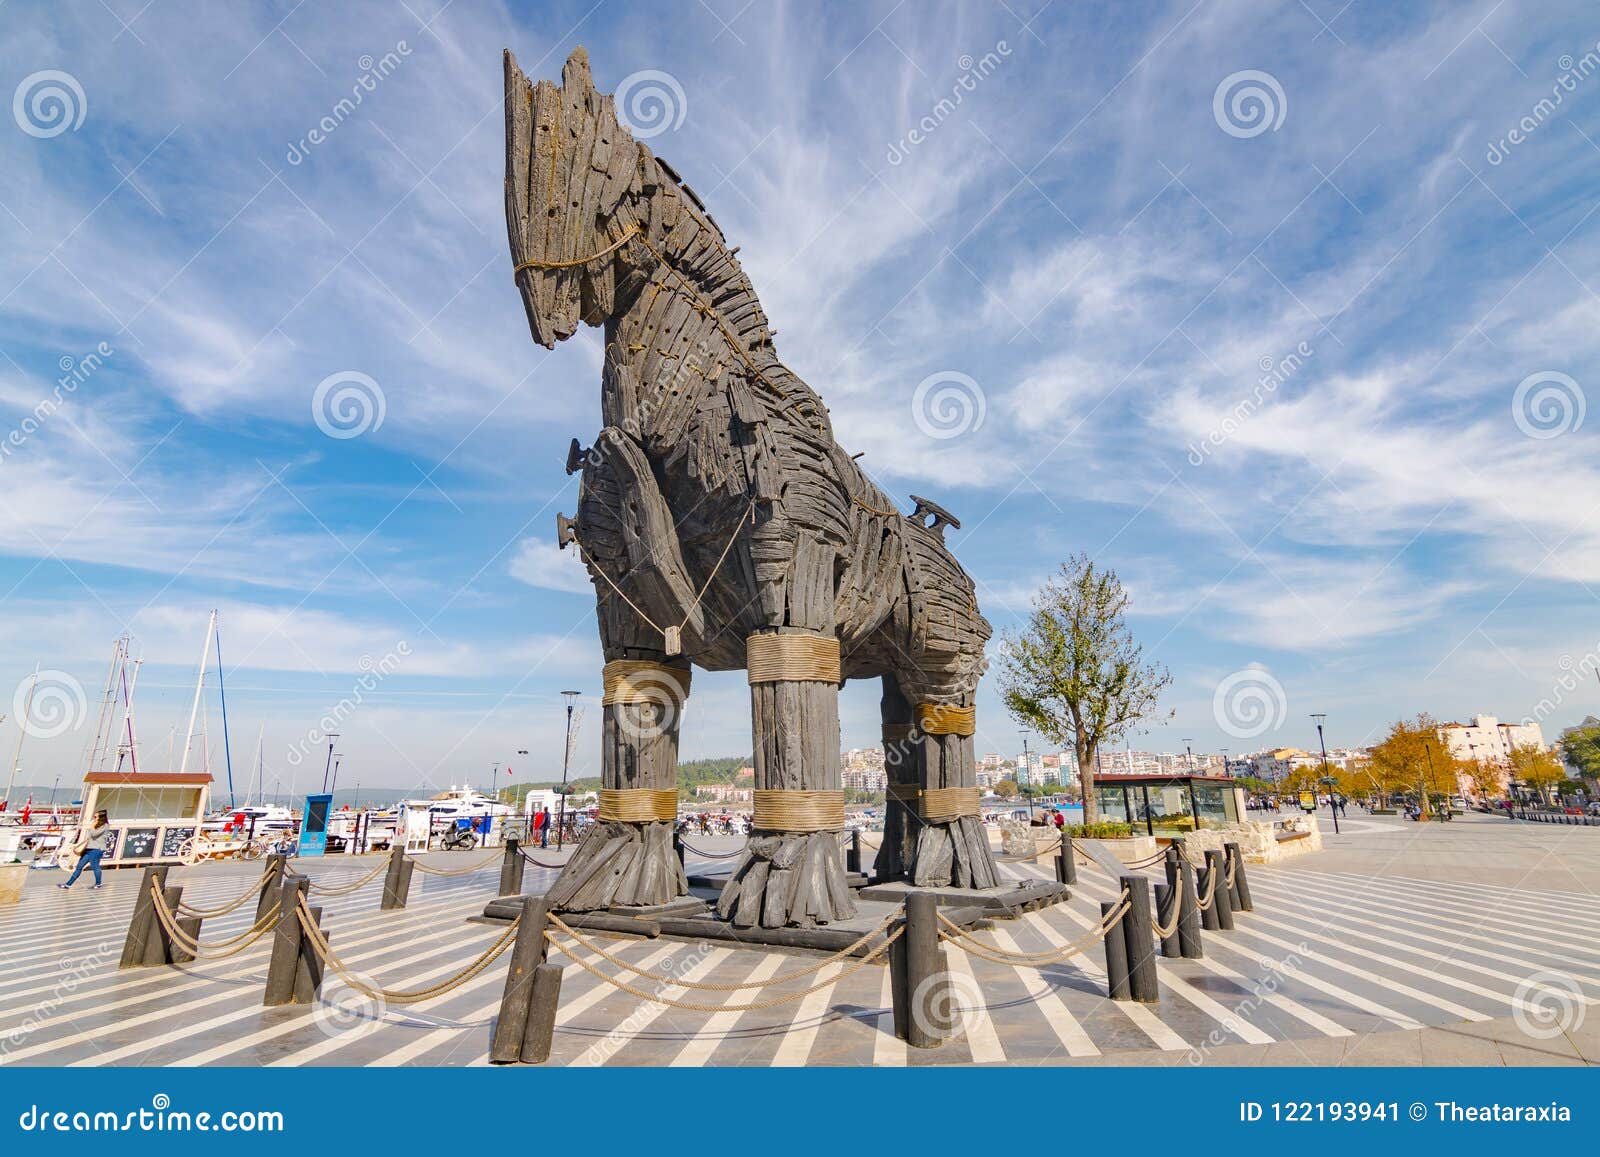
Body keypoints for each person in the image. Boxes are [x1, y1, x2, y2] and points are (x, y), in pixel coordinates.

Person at [59, 811, 113, 890]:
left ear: (101, 818)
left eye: (95, 817)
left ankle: (98, 883)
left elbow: (94, 834)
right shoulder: (96, 825)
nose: (94, 819)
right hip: (89, 849)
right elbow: (90, 836)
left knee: (95, 867)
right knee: (79, 866)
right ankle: (68, 884)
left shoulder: (105, 826)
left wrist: (92, 826)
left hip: (97, 849)